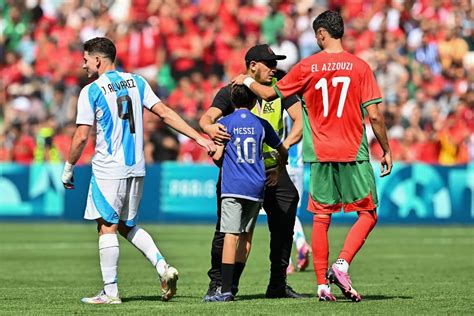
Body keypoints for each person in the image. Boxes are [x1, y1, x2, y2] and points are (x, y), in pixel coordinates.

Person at [233, 10, 392, 302]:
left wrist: (245, 80)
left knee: (321, 217)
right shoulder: (360, 67)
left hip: (318, 152)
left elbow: (269, 96)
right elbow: (375, 116)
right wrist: (386, 149)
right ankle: (341, 264)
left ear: (321, 34)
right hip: (352, 150)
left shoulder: (308, 66)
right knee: (368, 213)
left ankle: (321, 285)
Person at [60, 37, 215, 304]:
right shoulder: (137, 82)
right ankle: (163, 267)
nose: (83, 65)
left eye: (85, 59)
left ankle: (110, 292)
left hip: (109, 167)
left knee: (106, 227)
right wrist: (198, 137)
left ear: (98, 60)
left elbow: (81, 136)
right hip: (137, 167)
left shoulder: (91, 90)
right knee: (125, 225)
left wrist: (69, 167)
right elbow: (165, 113)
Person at [199, 44, 303, 299]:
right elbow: (206, 119)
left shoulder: (280, 87)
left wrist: (281, 154)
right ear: (252, 65)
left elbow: (300, 123)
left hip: (273, 171)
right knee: (226, 232)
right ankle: (220, 284)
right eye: (269, 64)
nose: (274, 69)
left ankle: (277, 285)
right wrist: (209, 129)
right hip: (240, 174)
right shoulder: (232, 91)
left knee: (284, 223)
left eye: (275, 63)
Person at [205, 85, 288, 302]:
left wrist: (214, 152)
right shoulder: (262, 123)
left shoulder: (224, 123)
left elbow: (217, 157)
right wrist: (278, 171)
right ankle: (233, 284)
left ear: (233, 101)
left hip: (233, 186)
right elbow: (282, 150)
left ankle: (225, 290)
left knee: (230, 236)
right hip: (256, 186)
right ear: (254, 102)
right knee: (246, 237)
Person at [283, 111, 311, 275]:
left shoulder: (277, 104)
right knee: (292, 213)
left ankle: (287, 261)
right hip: (298, 166)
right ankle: (300, 243)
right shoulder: (300, 107)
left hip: (282, 162)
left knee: (281, 214)